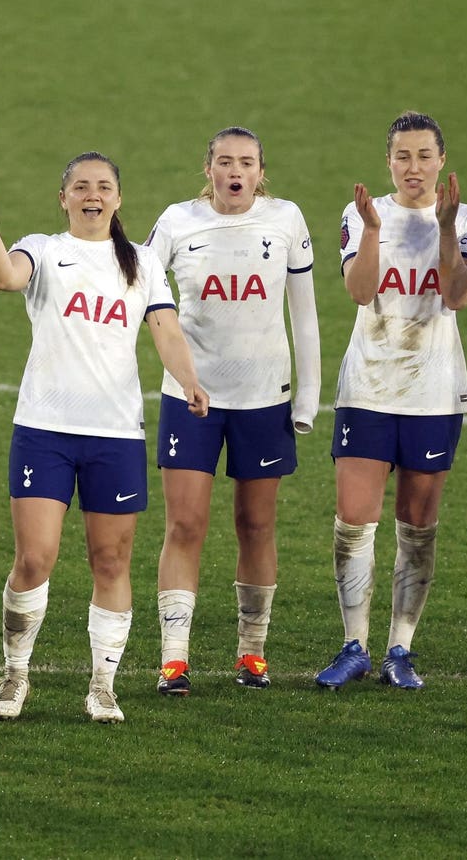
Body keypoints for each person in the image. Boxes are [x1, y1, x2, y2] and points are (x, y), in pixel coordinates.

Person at [0, 151, 209, 723]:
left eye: (103, 186)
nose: (92, 195)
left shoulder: (143, 263)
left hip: (115, 436)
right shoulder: (45, 250)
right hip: (44, 431)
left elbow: (167, 330)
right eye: (80, 186)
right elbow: (2, 276)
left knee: (111, 559)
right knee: (35, 558)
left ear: (118, 199)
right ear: (64, 197)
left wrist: (189, 379)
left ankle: (103, 684)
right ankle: (15, 674)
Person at [315, 111, 467, 691]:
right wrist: (368, 231)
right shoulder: (364, 215)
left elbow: (458, 295)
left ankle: (400, 649)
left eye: (423, 156)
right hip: (367, 389)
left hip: (433, 392)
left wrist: (442, 228)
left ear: (441, 160)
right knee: (352, 523)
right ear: (388, 162)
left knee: (417, 526)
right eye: (402, 157)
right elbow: (361, 292)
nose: (413, 167)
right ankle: (354, 644)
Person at [146, 126, 320, 695]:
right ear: (210, 169)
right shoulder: (176, 223)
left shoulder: (286, 220)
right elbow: (142, 291)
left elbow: (305, 314)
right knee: (186, 524)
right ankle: (174, 658)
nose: (236, 171)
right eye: (225, 162)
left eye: (246, 162)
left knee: (256, 524)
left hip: (264, 399)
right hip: (190, 400)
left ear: (260, 171)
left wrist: (307, 400)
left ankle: (252, 653)